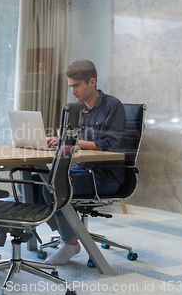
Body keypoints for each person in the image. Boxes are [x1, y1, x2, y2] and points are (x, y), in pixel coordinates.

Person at [43, 59, 126, 265]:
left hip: (104, 177)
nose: (73, 91)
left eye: (77, 85)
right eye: (71, 86)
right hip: (80, 169)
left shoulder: (112, 106)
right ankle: (68, 234)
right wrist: (58, 142)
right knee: (37, 180)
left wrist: (71, 141)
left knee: (54, 187)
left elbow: (111, 144)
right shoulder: (74, 109)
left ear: (92, 82)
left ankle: (70, 243)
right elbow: (72, 142)